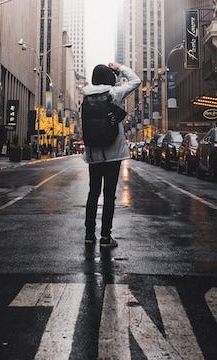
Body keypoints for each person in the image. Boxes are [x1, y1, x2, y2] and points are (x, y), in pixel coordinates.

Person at [83, 62, 141, 248]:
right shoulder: (114, 93)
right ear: (109, 77)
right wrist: (120, 67)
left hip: (93, 154)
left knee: (93, 193)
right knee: (109, 195)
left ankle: (89, 234)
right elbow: (136, 81)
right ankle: (106, 236)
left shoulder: (85, 95)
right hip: (113, 153)